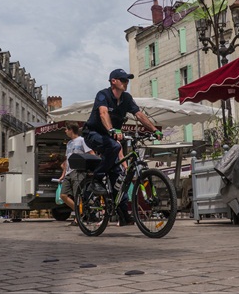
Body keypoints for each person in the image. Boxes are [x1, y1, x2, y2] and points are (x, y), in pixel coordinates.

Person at [83, 69, 163, 226]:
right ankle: (97, 179)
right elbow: (103, 113)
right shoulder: (103, 95)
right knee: (113, 146)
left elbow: (139, 114)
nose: (126, 83)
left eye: (127, 80)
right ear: (113, 81)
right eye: (123, 80)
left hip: (110, 137)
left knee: (118, 175)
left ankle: (123, 215)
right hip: (93, 134)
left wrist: (154, 130)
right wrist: (112, 130)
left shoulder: (126, 98)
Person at [58, 122, 94, 226]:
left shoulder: (82, 140)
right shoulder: (69, 143)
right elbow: (67, 160)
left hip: (78, 171)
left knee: (77, 195)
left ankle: (78, 218)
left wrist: (90, 168)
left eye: (66, 129)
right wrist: (63, 174)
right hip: (69, 172)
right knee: (63, 195)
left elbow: (91, 153)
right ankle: (81, 212)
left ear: (71, 130)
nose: (65, 131)